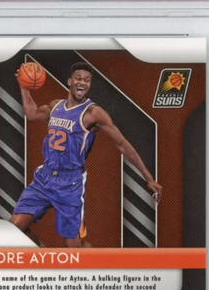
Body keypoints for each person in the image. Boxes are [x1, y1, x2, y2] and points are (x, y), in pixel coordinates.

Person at [10, 62, 163, 248]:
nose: (82, 82)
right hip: (44, 177)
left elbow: (122, 144)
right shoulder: (56, 106)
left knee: (74, 248)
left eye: (87, 80)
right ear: (70, 81)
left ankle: (93, 261)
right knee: (14, 228)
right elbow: (32, 114)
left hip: (69, 183)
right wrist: (24, 88)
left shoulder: (93, 113)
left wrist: (149, 178)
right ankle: (47, 259)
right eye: (79, 78)